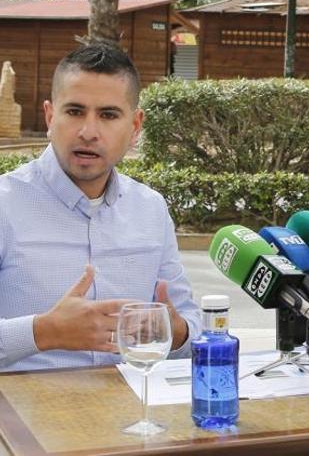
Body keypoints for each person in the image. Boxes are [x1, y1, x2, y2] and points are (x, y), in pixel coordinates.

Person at [0, 43, 200, 372]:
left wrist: (177, 333)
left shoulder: (150, 209)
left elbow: (189, 332)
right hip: (21, 418)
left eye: (108, 115)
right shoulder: (5, 205)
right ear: (50, 117)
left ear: (135, 127)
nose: (88, 132)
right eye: (75, 111)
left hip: (132, 415)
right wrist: (42, 332)